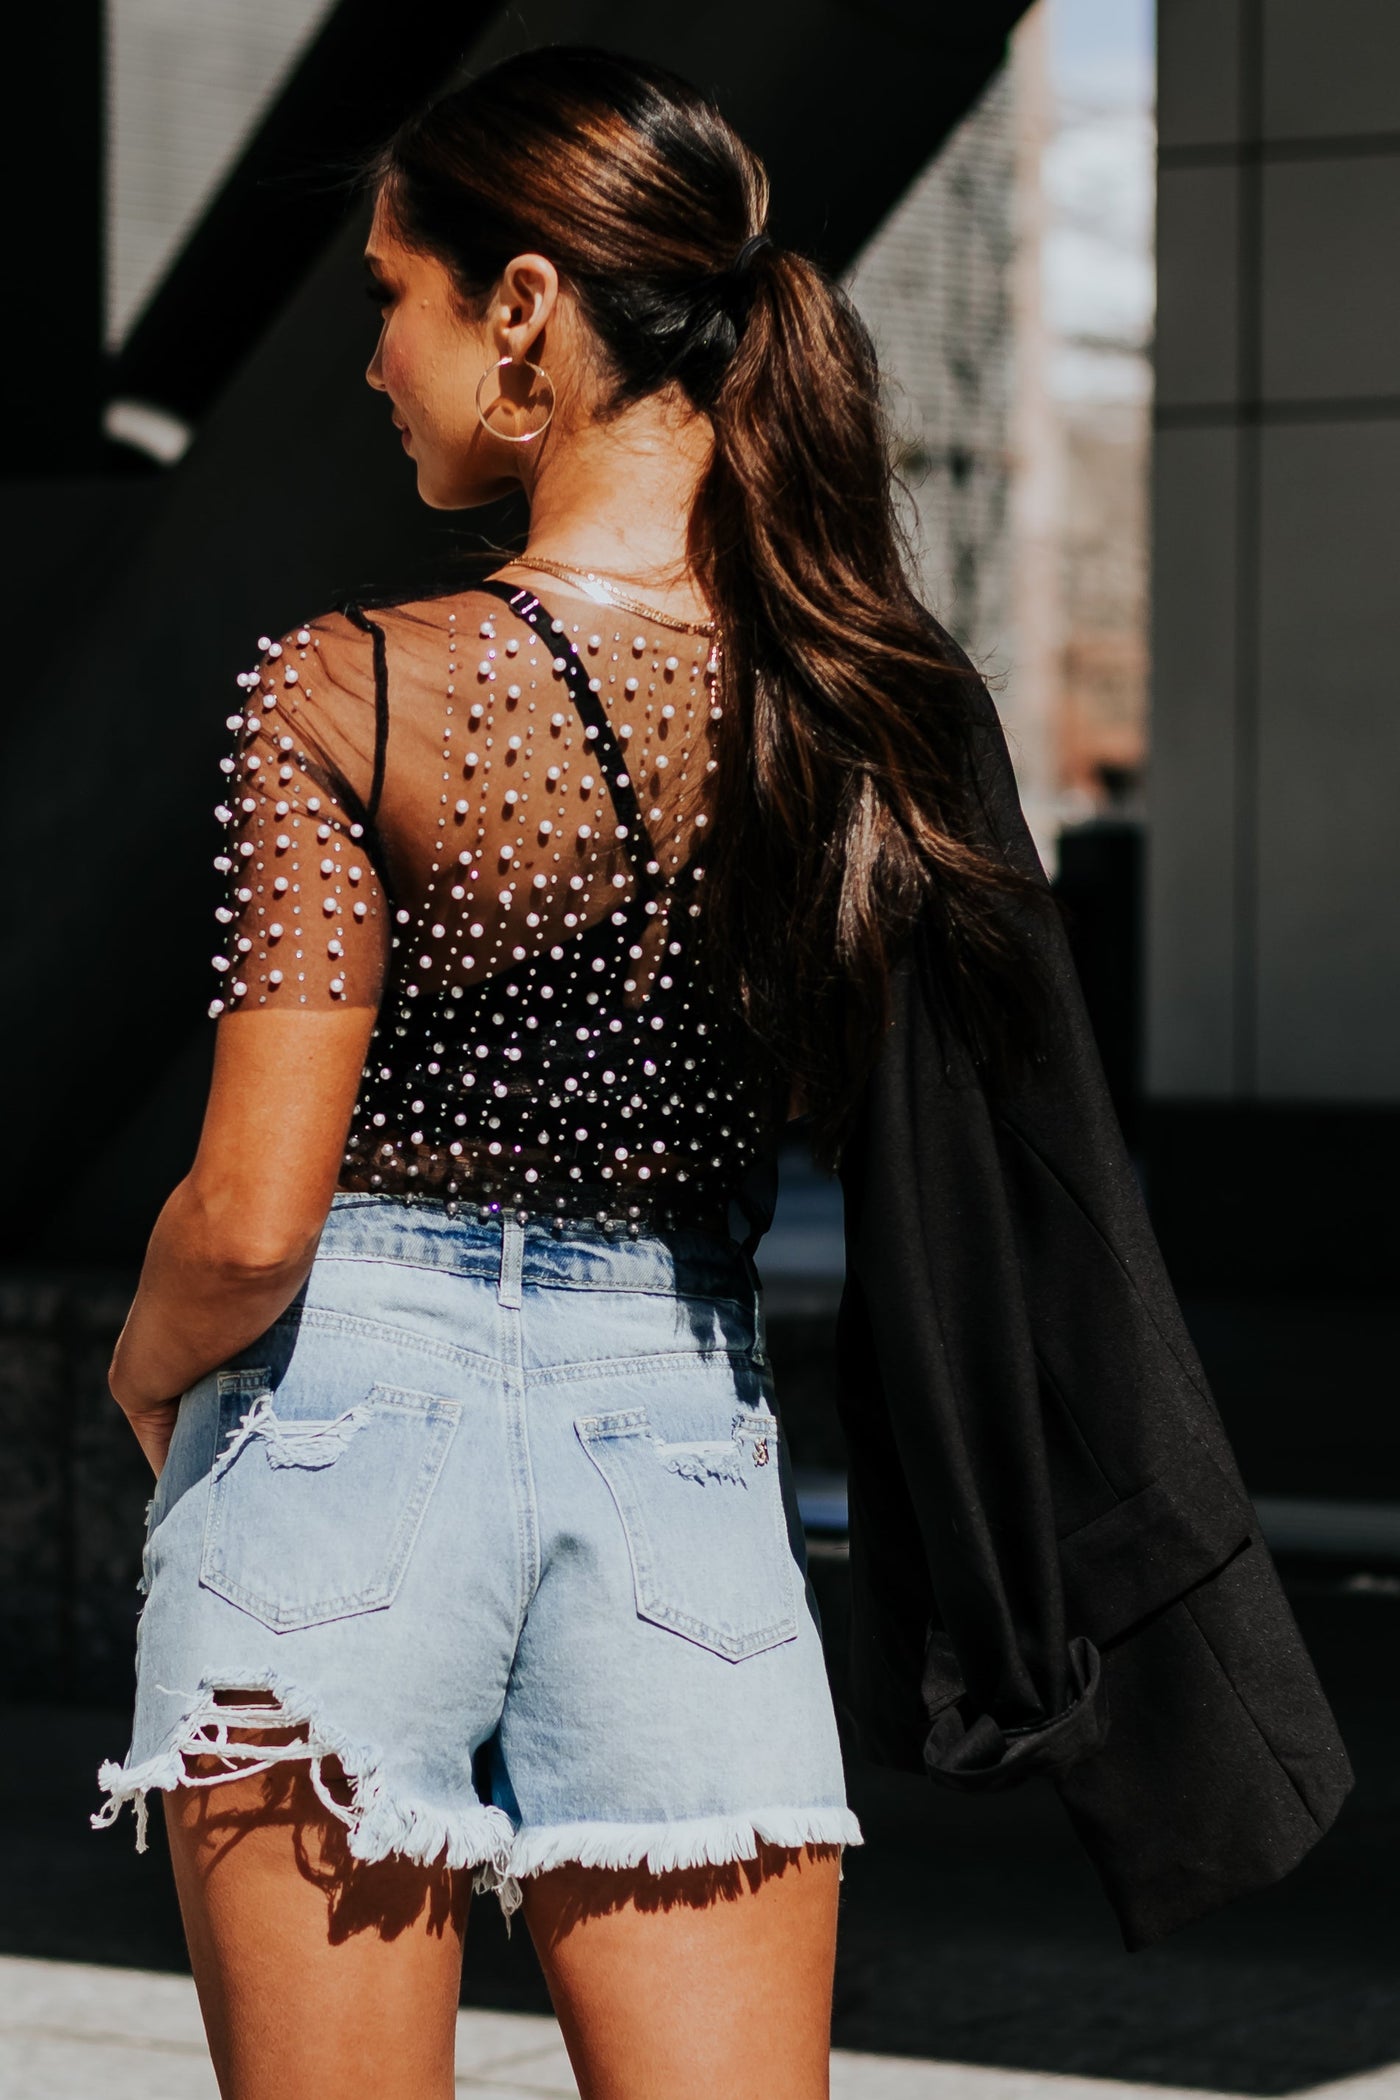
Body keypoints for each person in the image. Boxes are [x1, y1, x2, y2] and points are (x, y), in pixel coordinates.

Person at [92, 44, 1105, 2100]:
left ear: (525, 308)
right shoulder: (848, 700)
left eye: (397, 293)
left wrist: (143, 1366)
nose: (373, 354)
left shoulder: (348, 690)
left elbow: (253, 1214)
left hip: (336, 1432)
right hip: (679, 1447)